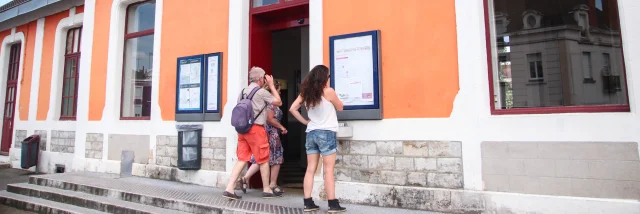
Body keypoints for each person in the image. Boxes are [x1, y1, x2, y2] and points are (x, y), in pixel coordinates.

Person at [289, 65, 346, 213]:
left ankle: (308, 202)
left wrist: (305, 122)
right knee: (328, 170)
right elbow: (340, 107)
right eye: (328, 77)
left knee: (310, 169)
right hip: (326, 133)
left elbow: (292, 108)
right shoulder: (329, 92)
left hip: (311, 132)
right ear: (324, 78)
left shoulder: (305, 93)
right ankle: (332, 204)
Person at [223, 67, 282, 200]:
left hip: (243, 129)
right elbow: (279, 102)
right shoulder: (261, 92)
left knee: (243, 158)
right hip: (256, 129)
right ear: (261, 79)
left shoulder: (243, 91)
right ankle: (267, 190)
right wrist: (272, 85)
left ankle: (229, 188)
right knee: (264, 159)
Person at [240, 81, 287, 195]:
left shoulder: (264, 101)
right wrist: (281, 127)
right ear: (273, 90)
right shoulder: (271, 102)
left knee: (261, 158)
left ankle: (245, 178)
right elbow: (270, 118)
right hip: (272, 134)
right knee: (276, 157)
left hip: (265, 132)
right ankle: (272, 184)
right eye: (279, 89)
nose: (280, 91)